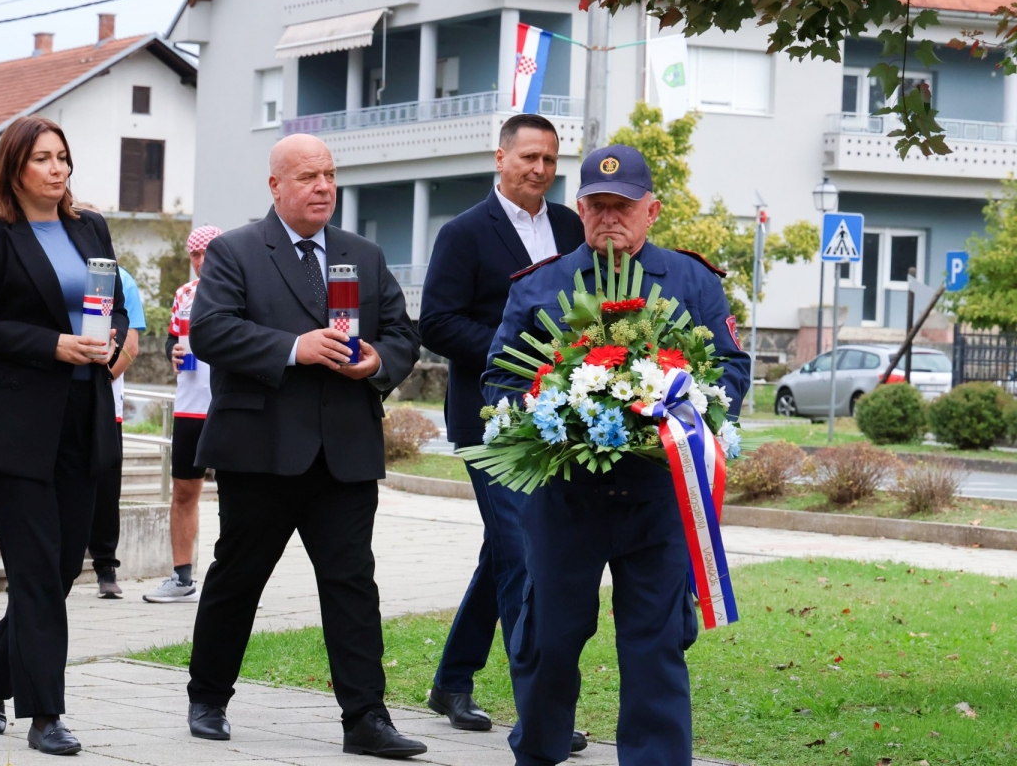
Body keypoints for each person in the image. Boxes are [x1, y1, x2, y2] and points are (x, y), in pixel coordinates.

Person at [482, 144, 751, 766]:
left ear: (651, 210)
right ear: (578, 209)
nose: (610, 218)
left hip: (657, 496)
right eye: (598, 206)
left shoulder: (692, 281)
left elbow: (733, 369)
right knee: (550, 638)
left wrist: (696, 405)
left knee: (655, 641)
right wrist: (555, 409)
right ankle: (541, 747)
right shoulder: (541, 284)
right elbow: (496, 380)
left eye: (623, 206)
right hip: (565, 496)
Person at [184, 134, 425, 758]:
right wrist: (294, 348)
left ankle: (365, 720)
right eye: (308, 176)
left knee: (352, 583)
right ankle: (208, 695)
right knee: (239, 577)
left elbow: (403, 333)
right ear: (275, 187)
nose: (323, 186)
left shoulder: (364, 254)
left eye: (329, 174)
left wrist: (377, 361)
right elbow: (210, 331)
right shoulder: (236, 252)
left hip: (343, 452)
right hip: (261, 450)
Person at [0, 116, 128, 755]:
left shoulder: (90, 227)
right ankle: (46, 714)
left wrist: (106, 339)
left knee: (56, 568)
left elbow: (112, 303)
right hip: (11, 430)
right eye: (44, 160)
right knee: (33, 566)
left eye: (64, 158)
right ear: (15, 168)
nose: (58, 170)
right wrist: (54, 344)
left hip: (81, 420)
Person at [419, 114, 586, 747]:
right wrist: (515, 349)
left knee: (506, 549)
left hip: (559, 418)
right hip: (488, 416)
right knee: (523, 550)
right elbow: (435, 323)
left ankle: (452, 680)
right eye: (529, 158)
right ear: (500, 158)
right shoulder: (464, 233)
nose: (540, 170)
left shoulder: (570, 227)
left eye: (549, 159)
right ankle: (540, 715)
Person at [142, 225, 220, 603]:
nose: (202, 261)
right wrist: (172, 350)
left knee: (241, 495)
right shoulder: (184, 295)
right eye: (196, 255)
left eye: (209, 252)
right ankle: (182, 577)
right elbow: (174, 339)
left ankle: (234, 577)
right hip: (190, 407)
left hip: (228, 405)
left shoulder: (242, 289)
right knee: (183, 493)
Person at [88, 264, 145, 599]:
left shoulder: (121, 279)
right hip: (54, 401)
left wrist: (101, 381)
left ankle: (105, 567)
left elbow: (131, 345)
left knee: (106, 490)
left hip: (106, 404)